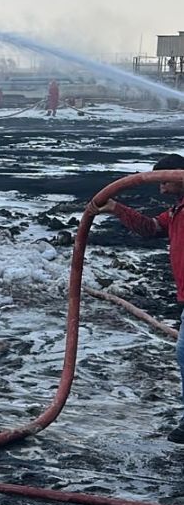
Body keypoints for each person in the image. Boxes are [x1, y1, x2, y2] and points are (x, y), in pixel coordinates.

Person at [87, 154, 184, 443]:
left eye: (164, 180)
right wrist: (116, 208)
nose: (160, 187)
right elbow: (151, 229)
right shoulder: (176, 212)